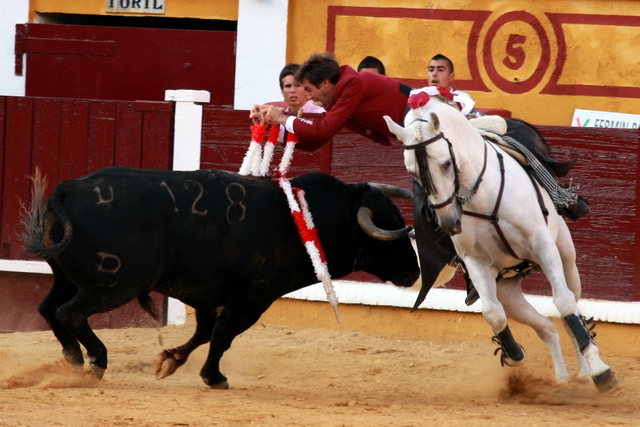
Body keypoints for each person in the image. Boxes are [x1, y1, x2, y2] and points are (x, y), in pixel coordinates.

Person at [250, 52, 456, 311]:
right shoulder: (339, 94)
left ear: (326, 83)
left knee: (437, 191)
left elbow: (321, 131)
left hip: (430, 125)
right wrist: (276, 128)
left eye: (310, 90)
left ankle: (455, 252)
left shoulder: (354, 84)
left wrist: (283, 118)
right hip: (415, 131)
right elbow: (315, 142)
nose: (309, 97)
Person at [427, 54, 480, 118]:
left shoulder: (462, 99)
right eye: (431, 70)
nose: (434, 74)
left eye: (440, 70)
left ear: (451, 77)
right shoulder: (419, 98)